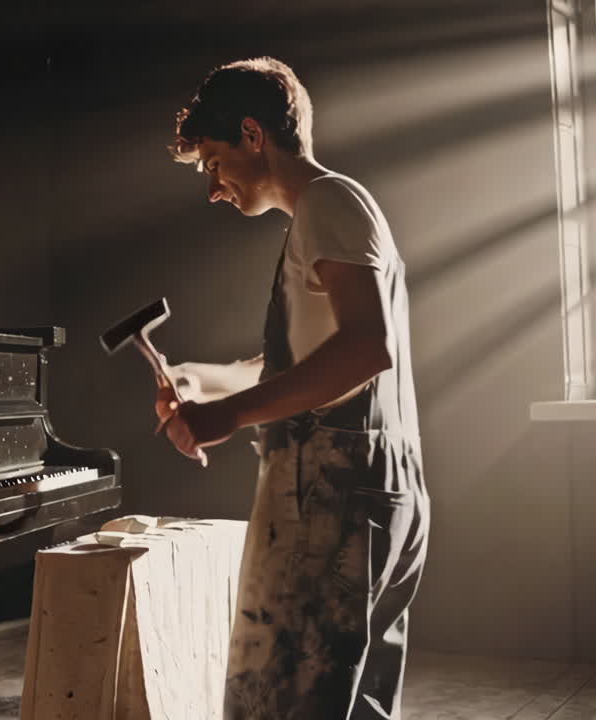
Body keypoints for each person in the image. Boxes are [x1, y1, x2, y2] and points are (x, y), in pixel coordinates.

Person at [157, 57, 430, 719]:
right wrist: (200, 382)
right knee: (351, 707)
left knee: (285, 707)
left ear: (253, 135)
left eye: (215, 162)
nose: (214, 188)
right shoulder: (325, 214)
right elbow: (308, 364)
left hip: (335, 500)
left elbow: (365, 349)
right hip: (368, 490)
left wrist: (230, 415)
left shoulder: (330, 202)